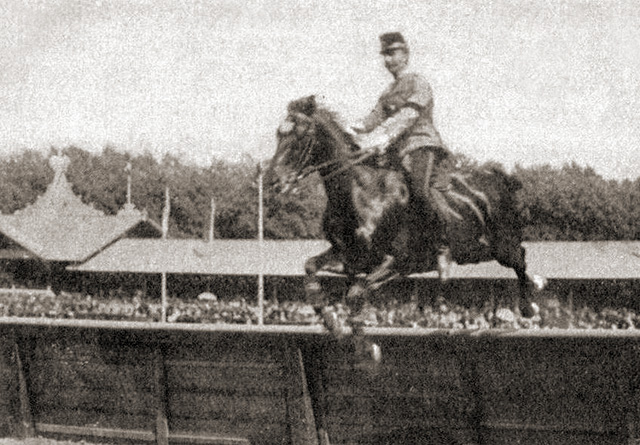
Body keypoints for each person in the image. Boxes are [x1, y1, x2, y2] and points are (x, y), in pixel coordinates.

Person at [352, 32, 452, 279]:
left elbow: (409, 115)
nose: (388, 60)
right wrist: (345, 127)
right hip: (395, 152)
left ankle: (443, 247)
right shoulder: (387, 92)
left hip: (421, 145)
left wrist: (383, 137)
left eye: (393, 54)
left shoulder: (418, 82)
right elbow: (369, 121)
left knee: (419, 191)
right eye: (385, 55)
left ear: (405, 55)